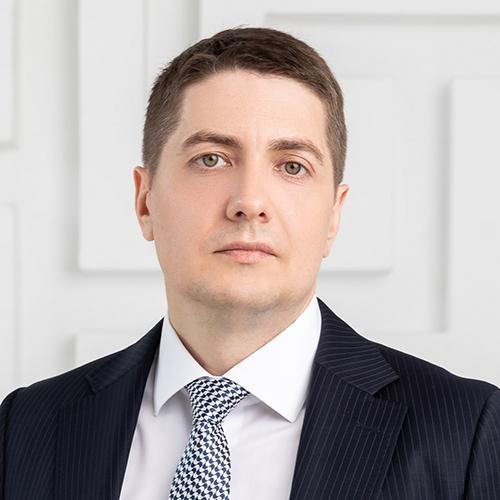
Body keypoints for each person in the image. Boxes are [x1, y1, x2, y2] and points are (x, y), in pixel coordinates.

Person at [1, 26, 499, 500]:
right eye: (211, 158)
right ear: (145, 200)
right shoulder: (25, 426)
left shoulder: (466, 434)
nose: (249, 202)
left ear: (333, 214)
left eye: (292, 166)